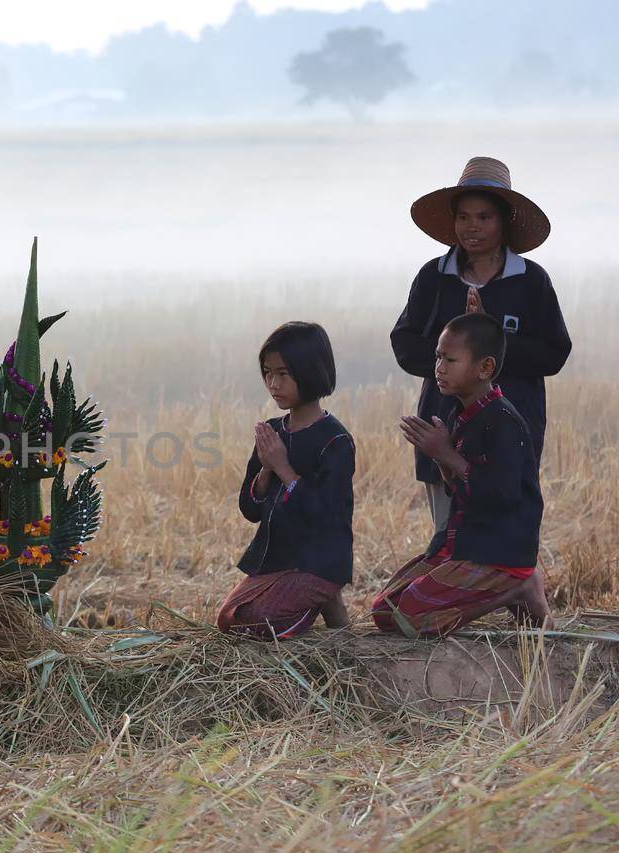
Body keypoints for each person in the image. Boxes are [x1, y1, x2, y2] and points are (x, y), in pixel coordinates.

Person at [391, 157, 571, 533]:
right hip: (443, 427)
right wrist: (454, 358)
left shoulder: (530, 281)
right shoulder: (434, 278)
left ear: (504, 222)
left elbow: (555, 353)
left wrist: (494, 340)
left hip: (512, 427)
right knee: (449, 537)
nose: (472, 227)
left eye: (484, 217)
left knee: (507, 540)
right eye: (464, 217)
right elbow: (404, 343)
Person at [374, 313, 549, 637]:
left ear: (484, 368)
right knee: (385, 611)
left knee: (409, 620)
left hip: (497, 551)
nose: (439, 367)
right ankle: (504, 589)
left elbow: (503, 496)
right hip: (464, 544)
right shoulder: (463, 413)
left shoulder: (503, 422)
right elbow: (465, 489)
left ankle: (517, 587)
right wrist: (442, 459)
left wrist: (448, 456)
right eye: (438, 356)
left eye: (450, 359)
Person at [217, 322, 354, 638]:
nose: (272, 383)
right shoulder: (272, 430)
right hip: (278, 559)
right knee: (228, 620)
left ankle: (323, 593)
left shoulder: (335, 441)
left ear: (310, 371)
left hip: (320, 560)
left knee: (252, 622)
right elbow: (250, 510)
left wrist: (285, 470)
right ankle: (325, 601)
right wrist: (267, 469)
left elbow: (327, 517)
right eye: (267, 373)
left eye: (283, 373)